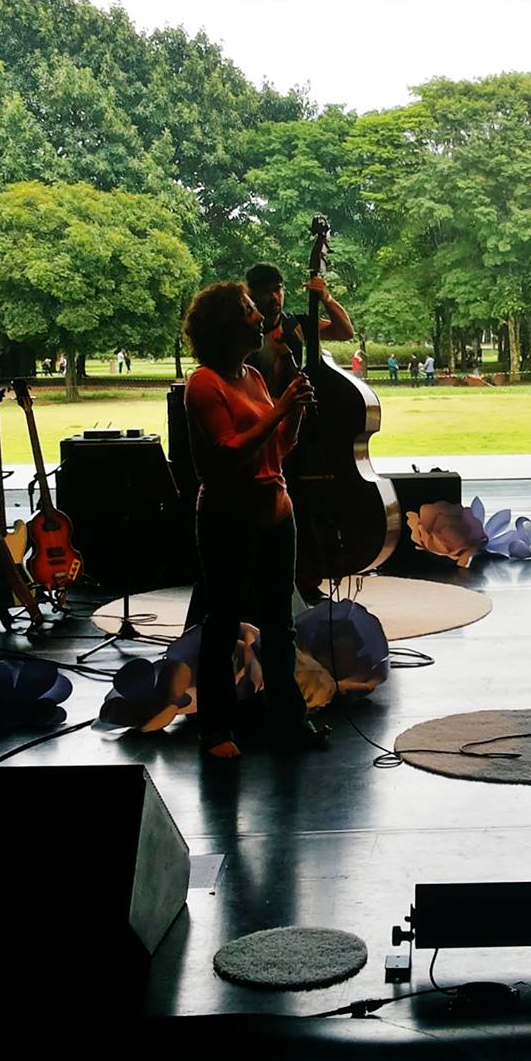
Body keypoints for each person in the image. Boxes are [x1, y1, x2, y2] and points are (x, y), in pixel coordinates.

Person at [181, 281, 325, 759]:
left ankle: (290, 722)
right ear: (226, 325)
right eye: (248, 310)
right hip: (228, 520)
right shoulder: (204, 383)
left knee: (280, 626)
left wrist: (294, 414)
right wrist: (281, 408)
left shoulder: (255, 377)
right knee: (222, 625)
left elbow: (276, 449)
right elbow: (228, 453)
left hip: (277, 516)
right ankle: (216, 731)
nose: (259, 316)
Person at [246, 261, 354, 396]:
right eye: (266, 292)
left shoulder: (296, 325)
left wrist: (327, 299)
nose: (274, 297)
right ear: (253, 295)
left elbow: (345, 332)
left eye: (277, 289)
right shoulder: (243, 331)